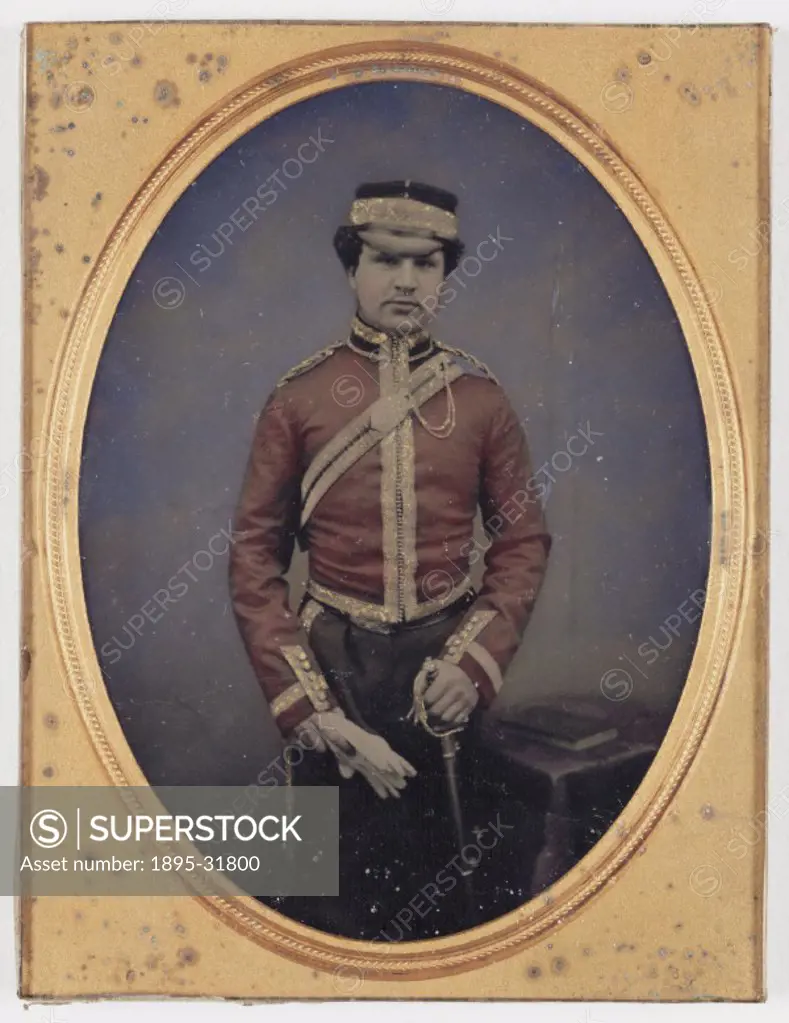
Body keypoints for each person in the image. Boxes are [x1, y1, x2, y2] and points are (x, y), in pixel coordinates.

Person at [229, 180, 551, 940]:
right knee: (330, 899)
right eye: (385, 260)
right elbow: (252, 559)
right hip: (330, 664)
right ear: (351, 268)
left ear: (445, 274)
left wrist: (471, 667)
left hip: (442, 671)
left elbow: (521, 542)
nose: (406, 281)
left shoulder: (480, 400)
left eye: (426, 264)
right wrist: (313, 713)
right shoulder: (297, 397)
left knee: (450, 893)